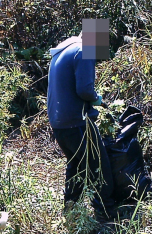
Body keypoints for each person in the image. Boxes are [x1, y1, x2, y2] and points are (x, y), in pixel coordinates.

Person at [47, 30, 116, 220]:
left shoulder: (63, 50)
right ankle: (105, 213)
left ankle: (70, 211)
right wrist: (98, 99)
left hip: (59, 123)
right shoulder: (84, 50)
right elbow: (85, 90)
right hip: (77, 122)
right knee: (98, 166)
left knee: (76, 166)